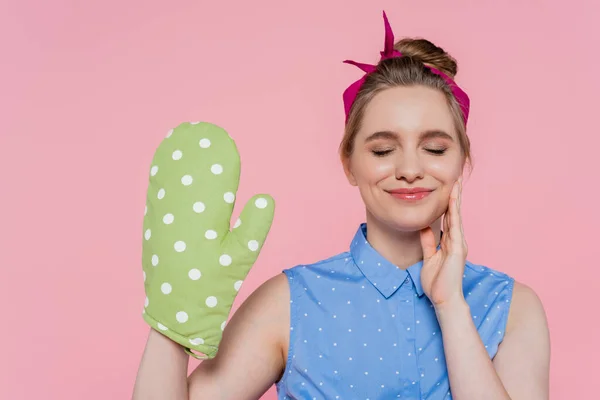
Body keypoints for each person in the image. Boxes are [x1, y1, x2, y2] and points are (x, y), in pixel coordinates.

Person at [132, 11, 550, 400]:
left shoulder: (511, 306)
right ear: (349, 162)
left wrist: (451, 305)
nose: (409, 169)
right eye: (384, 149)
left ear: (462, 159)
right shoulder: (289, 303)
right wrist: (173, 313)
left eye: (435, 148)